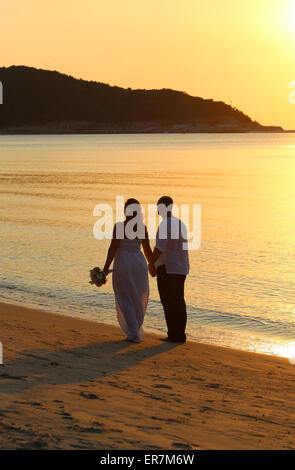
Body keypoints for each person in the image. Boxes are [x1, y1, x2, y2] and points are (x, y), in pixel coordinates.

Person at [103, 198, 155, 342]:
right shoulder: (142, 227)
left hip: (124, 262)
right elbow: (147, 249)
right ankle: (135, 328)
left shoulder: (119, 226)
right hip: (139, 262)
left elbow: (113, 248)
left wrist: (106, 267)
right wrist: (152, 265)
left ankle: (133, 332)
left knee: (124, 295)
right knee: (137, 296)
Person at [153, 196, 189, 343]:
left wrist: (150, 264)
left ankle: (174, 334)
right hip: (181, 268)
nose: (156, 211)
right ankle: (180, 333)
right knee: (179, 301)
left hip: (168, 268)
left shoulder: (165, 225)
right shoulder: (181, 224)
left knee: (168, 302)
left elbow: (159, 249)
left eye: (158, 208)